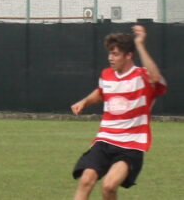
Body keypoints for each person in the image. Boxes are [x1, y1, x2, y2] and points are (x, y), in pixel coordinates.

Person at [70, 25, 167, 200]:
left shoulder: (142, 76)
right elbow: (101, 92)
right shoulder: (106, 74)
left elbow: (155, 78)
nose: (110, 58)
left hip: (131, 145)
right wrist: (85, 101)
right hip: (105, 140)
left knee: (109, 186)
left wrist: (140, 45)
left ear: (128, 55)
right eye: (109, 53)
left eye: (115, 54)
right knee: (86, 180)